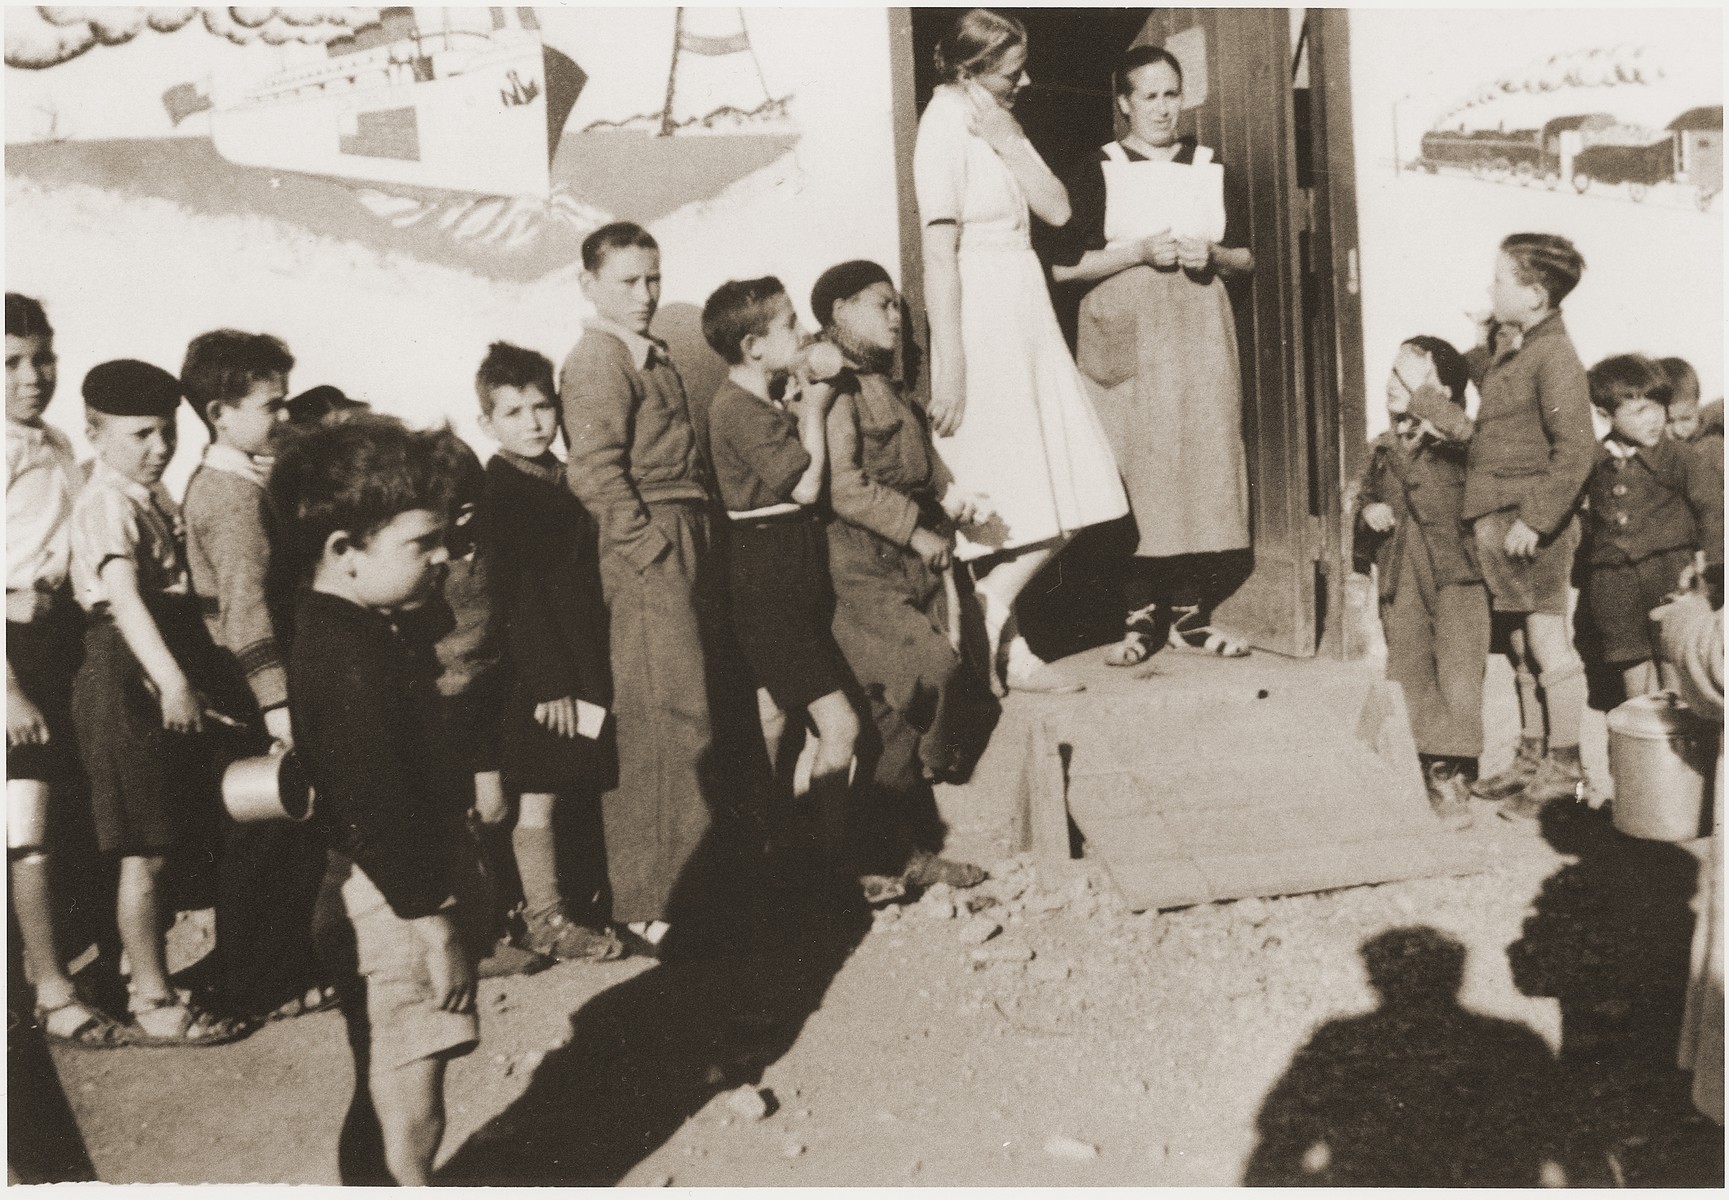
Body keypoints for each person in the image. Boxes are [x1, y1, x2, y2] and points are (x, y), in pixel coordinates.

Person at [275, 414, 480, 1186]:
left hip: (386, 890)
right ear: (343, 552)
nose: (441, 560)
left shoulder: (352, 630)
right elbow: (377, 808)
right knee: (412, 1088)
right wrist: (437, 925)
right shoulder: (346, 658)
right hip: (393, 906)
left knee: (384, 1075)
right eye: (420, 544)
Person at [913, 8, 1128, 695]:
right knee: (1014, 492)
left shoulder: (998, 123)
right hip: (979, 314)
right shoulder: (940, 126)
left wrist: (1011, 140)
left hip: (1022, 307)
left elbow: (1060, 211)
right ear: (968, 70)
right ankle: (1004, 637)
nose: (1024, 80)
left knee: (1067, 486)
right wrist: (950, 362)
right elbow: (937, 257)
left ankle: (994, 616)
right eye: (1011, 72)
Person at [1045, 44, 1255, 665]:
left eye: (1171, 94)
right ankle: (1137, 619)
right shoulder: (1098, 167)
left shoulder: (1211, 165)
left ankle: (1190, 618)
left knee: (1199, 466)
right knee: (1138, 471)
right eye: (1149, 96)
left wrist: (1211, 257)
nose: (1163, 109)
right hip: (1127, 339)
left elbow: (1248, 255)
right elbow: (1062, 267)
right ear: (1124, 104)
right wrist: (1138, 252)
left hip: (1197, 337)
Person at [68, 359, 250, 1047]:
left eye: (167, 431)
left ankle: (146, 975)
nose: (159, 447)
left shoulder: (152, 497)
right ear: (94, 434)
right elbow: (123, 600)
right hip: (126, 669)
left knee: (166, 842)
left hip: (156, 662)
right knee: (141, 851)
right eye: (140, 434)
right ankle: (152, 1000)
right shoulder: (107, 502)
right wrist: (171, 681)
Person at [560, 221, 721, 957]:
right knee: (662, 717)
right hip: (648, 545)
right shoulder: (597, 358)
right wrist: (651, 552)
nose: (645, 294)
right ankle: (646, 902)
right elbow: (593, 470)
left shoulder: (647, 354)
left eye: (652, 278)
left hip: (680, 532)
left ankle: (682, 887)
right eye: (627, 281)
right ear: (588, 284)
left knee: (689, 714)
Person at [814, 260, 993, 890]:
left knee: (893, 718)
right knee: (935, 675)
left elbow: (919, 458)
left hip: (909, 560)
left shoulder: (882, 382)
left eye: (898, 305)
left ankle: (898, 855)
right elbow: (843, 484)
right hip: (861, 565)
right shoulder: (830, 382)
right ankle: (940, 772)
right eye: (880, 304)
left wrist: (950, 498)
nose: (896, 316)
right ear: (839, 311)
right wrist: (913, 528)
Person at [180, 328, 338, 1024]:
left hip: (256, 683)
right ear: (220, 412)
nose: (283, 416)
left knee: (283, 837)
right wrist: (279, 711)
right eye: (270, 405)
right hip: (252, 688)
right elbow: (245, 615)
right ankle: (252, 983)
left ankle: (277, 968)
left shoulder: (244, 479)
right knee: (266, 838)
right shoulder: (232, 498)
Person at [701, 277, 861, 884]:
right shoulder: (738, 409)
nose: (802, 335)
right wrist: (814, 411)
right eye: (789, 325)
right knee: (839, 726)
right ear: (753, 346)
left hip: (779, 572)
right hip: (770, 578)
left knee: (774, 715)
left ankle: (762, 848)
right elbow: (806, 486)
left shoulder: (754, 399)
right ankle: (831, 862)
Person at [6, 295, 128, 1048]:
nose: (32, 376)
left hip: (57, 645)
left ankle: (70, 974)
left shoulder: (49, 439)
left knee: (65, 821)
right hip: (10, 664)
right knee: (27, 832)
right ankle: (51, 992)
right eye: (11, 362)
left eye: (43, 357)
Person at [475, 343, 621, 962]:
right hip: (541, 675)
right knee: (540, 792)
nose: (534, 423)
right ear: (488, 424)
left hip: (576, 657)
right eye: (513, 413)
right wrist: (548, 681)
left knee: (569, 782)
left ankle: (569, 906)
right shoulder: (503, 492)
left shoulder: (555, 477)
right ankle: (545, 917)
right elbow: (516, 597)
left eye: (542, 406)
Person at [1459, 234, 1598, 821]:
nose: (1491, 289)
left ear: (1536, 295)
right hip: (1501, 523)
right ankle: (1532, 756)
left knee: (1548, 646)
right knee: (1520, 648)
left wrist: (1538, 522)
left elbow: (1577, 449)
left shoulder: (1554, 355)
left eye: (1500, 281)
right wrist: (1481, 337)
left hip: (1528, 529)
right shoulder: (1521, 346)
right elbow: (1496, 397)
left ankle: (1566, 773)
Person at [1354, 336, 1488, 830]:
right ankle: (1433, 766)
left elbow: (1479, 451)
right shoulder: (1383, 448)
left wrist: (1441, 413)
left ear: (1443, 389)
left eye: (1407, 377)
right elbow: (1362, 498)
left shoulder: (1463, 444)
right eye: (1393, 373)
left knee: (1459, 668)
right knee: (1409, 660)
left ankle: (1455, 765)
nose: (1393, 385)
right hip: (1402, 569)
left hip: (1459, 571)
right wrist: (1369, 511)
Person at [1579, 354, 1722, 699]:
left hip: (1671, 571)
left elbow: (1713, 509)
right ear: (1604, 415)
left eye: (1659, 406)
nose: (1655, 419)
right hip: (1613, 580)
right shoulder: (1592, 461)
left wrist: (1714, 567)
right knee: (1630, 662)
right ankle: (1641, 741)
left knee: (1673, 655)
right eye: (1640, 411)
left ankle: (1678, 738)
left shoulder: (1682, 458)